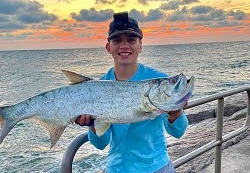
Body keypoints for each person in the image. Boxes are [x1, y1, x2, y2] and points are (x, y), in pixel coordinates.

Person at [75, 11, 188, 173]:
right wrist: (92, 125)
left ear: (140, 45)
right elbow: (100, 144)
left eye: (131, 40)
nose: (124, 45)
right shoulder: (97, 87)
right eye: (117, 40)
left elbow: (178, 132)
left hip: (157, 167)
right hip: (117, 168)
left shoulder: (159, 81)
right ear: (108, 47)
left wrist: (175, 113)